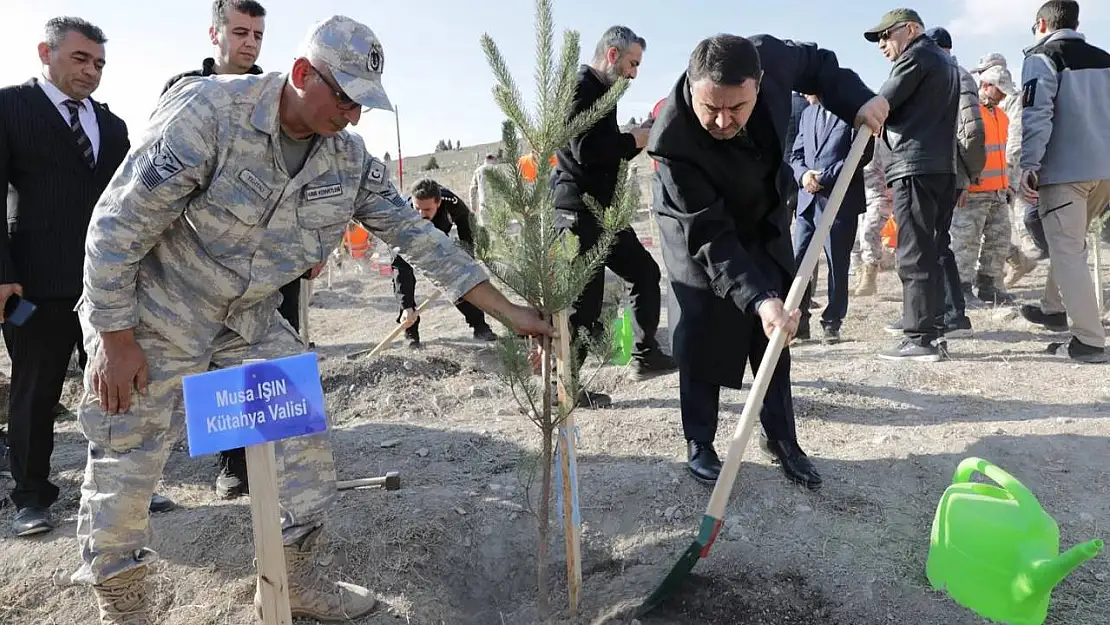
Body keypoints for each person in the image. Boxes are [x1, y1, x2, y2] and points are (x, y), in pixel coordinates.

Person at [72, 16, 552, 623]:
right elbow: (116, 225)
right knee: (128, 460)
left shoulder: (347, 160)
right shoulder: (210, 113)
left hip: (249, 318)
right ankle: (123, 605)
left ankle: (293, 579)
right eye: (345, 98)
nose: (352, 117)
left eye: (362, 105)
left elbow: (418, 238)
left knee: (303, 448)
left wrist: (509, 312)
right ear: (301, 74)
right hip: (154, 310)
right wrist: (114, 337)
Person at [647, 33, 887, 489]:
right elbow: (711, 236)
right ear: (693, 88)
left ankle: (782, 439)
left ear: (759, 82)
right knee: (700, 324)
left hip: (761, 214)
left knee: (777, 331)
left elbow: (820, 65)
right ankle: (700, 441)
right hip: (698, 227)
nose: (722, 120)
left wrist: (860, 101)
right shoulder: (673, 140)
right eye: (710, 108)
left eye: (736, 108)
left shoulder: (771, 57)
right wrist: (756, 297)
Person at [0, 17, 133, 537]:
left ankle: (123, 484)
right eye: (80, 59)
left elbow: (130, 205)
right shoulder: (10, 108)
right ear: (45, 53)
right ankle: (31, 496)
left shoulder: (112, 125)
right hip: (33, 285)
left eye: (99, 63)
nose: (92, 71)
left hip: (106, 286)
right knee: (35, 390)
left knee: (118, 389)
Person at [161, 0, 270, 502]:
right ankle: (231, 464)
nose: (249, 43)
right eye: (241, 31)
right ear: (215, 33)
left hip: (264, 257)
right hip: (198, 259)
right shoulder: (184, 90)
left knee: (260, 360)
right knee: (212, 366)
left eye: (257, 35)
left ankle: (264, 462)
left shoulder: (271, 93)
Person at [552, 25, 676, 401]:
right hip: (578, 211)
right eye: (632, 64)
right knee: (585, 305)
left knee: (644, 271)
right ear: (612, 55)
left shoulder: (604, 90)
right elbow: (586, 151)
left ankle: (645, 354)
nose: (634, 73)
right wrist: (632, 139)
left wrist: (634, 140)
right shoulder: (580, 88)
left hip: (603, 212)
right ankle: (566, 390)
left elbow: (606, 151)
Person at [864, 9, 960, 362]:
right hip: (942, 169)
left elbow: (881, 103)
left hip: (915, 167)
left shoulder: (916, 56)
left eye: (886, 35)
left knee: (915, 251)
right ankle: (931, 328)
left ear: (911, 29)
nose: (882, 44)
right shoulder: (945, 62)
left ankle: (920, 338)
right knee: (932, 250)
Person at [1018, 0, 1110, 364]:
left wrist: (1029, 164)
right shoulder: (1105, 57)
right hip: (1103, 173)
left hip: (1065, 172)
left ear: (1042, 24)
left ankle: (1089, 341)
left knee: (1068, 249)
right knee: (1069, 243)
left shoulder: (1042, 57)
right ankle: (1054, 308)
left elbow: (1037, 113)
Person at [789, 94, 871, 344]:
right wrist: (804, 176)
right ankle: (800, 321)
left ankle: (832, 322)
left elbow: (861, 154)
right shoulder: (807, 114)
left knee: (837, 264)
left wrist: (823, 177)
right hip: (807, 202)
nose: (804, 95)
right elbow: (796, 154)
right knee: (799, 262)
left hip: (839, 202)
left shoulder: (854, 113)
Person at [925, 26, 983, 330]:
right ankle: (933, 311)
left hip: (950, 173)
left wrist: (968, 177)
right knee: (933, 243)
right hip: (941, 170)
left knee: (938, 243)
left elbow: (969, 132)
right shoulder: (945, 75)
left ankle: (952, 314)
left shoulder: (956, 76)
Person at [394, 178, 498, 347]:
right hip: (410, 240)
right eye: (417, 208)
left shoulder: (452, 203)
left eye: (427, 209)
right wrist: (406, 305)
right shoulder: (403, 214)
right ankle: (410, 330)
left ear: (439, 202)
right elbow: (400, 266)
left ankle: (480, 326)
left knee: (456, 279)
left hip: (438, 239)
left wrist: (467, 256)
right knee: (406, 287)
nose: (421, 214)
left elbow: (466, 226)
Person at [950, 66, 1018, 305]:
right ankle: (961, 289)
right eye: (1000, 90)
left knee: (998, 241)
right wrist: (963, 184)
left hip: (999, 192)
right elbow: (958, 150)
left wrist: (1008, 184)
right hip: (973, 193)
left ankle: (989, 286)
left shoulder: (1001, 116)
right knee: (965, 243)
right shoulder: (968, 112)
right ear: (986, 85)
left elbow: (1003, 154)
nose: (1003, 96)